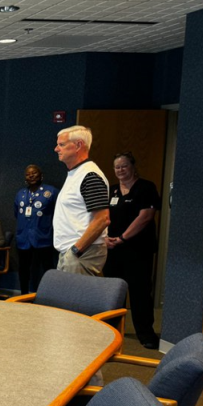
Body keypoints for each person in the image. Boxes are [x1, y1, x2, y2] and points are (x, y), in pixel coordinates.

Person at [104, 152, 161, 349]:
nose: (120, 170)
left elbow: (145, 217)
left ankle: (145, 333)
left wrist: (123, 238)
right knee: (114, 292)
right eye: (117, 167)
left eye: (124, 166)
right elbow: (102, 216)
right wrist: (105, 237)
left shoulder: (146, 188)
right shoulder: (112, 190)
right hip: (113, 249)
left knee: (140, 292)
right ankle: (112, 331)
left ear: (133, 167)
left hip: (138, 249)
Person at [53, 125, 110, 276]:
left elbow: (102, 219)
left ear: (78, 145)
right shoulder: (76, 173)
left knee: (75, 293)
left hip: (81, 253)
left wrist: (75, 250)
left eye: (61, 144)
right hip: (73, 252)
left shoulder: (89, 176)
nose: (56, 149)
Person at [14, 165, 58, 294]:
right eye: (28, 174)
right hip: (24, 237)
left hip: (43, 236)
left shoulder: (51, 192)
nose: (31, 176)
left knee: (48, 268)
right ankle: (23, 294)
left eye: (34, 173)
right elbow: (17, 213)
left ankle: (51, 295)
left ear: (41, 175)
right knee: (23, 268)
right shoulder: (21, 194)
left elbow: (60, 213)